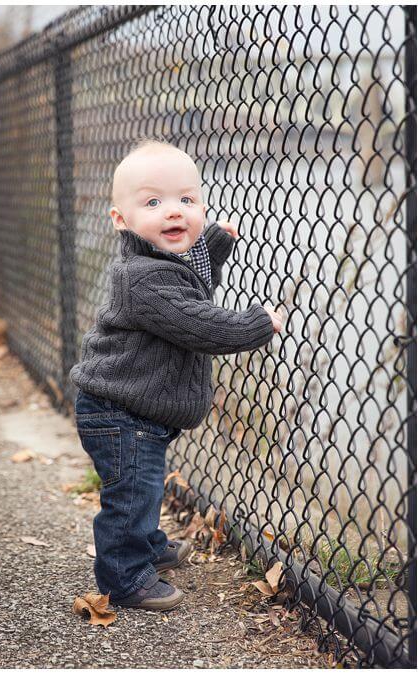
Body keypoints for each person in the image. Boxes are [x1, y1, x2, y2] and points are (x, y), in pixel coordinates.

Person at [69, 139, 284, 610]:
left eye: (187, 201)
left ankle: (144, 544)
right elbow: (197, 321)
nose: (174, 212)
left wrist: (213, 244)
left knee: (142, 485)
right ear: (120, 220)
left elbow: (192, 282)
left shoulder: (162, 263)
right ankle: (124, 578)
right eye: (153, 202)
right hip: (119, 412)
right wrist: (255, 323)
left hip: (136, 408)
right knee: (132, 493)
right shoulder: (142, 278)